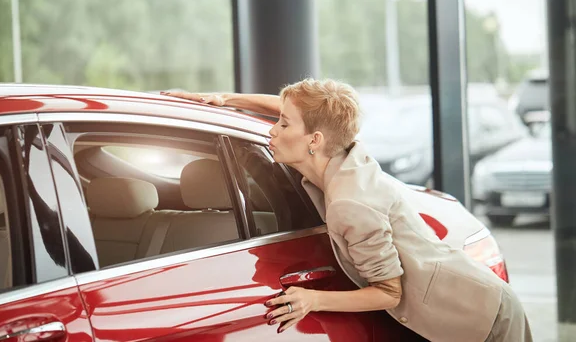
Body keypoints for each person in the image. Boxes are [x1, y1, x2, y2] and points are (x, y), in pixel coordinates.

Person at [161, 79, 532, 342]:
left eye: (283, 125)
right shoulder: (343, 145)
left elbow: (389, 293)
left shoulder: (350, 205)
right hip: (473, 299)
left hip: (483, 321)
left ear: (314, 141)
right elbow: (300, 112)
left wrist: (313, 299)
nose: (273, 131)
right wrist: (224, 99)